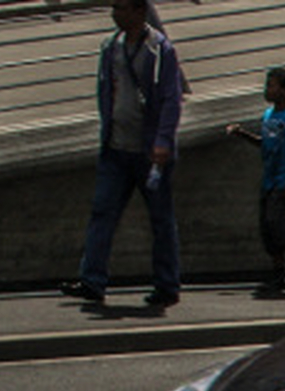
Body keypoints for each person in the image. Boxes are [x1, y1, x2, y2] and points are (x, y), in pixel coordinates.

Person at [60, 0, 186, 308]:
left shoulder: (159, 49)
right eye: (113, 7)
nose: (114, 13)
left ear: (139, 11)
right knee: (102, 213)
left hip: (149, 152)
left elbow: (172, 98)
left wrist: (163, 141)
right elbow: (106, 91)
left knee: (160, 219)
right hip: (115, 148)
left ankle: (167, 285)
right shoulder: (111, 46)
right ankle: (92, 281)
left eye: (121, 8)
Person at [226, 66, 285, 296]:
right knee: (266, 227)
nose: (267, 90)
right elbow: (265, 143)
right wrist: (241, 133)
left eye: (271, 85)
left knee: (276, 222)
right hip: (269, 180)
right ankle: (278, 271)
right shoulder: (268, 116)